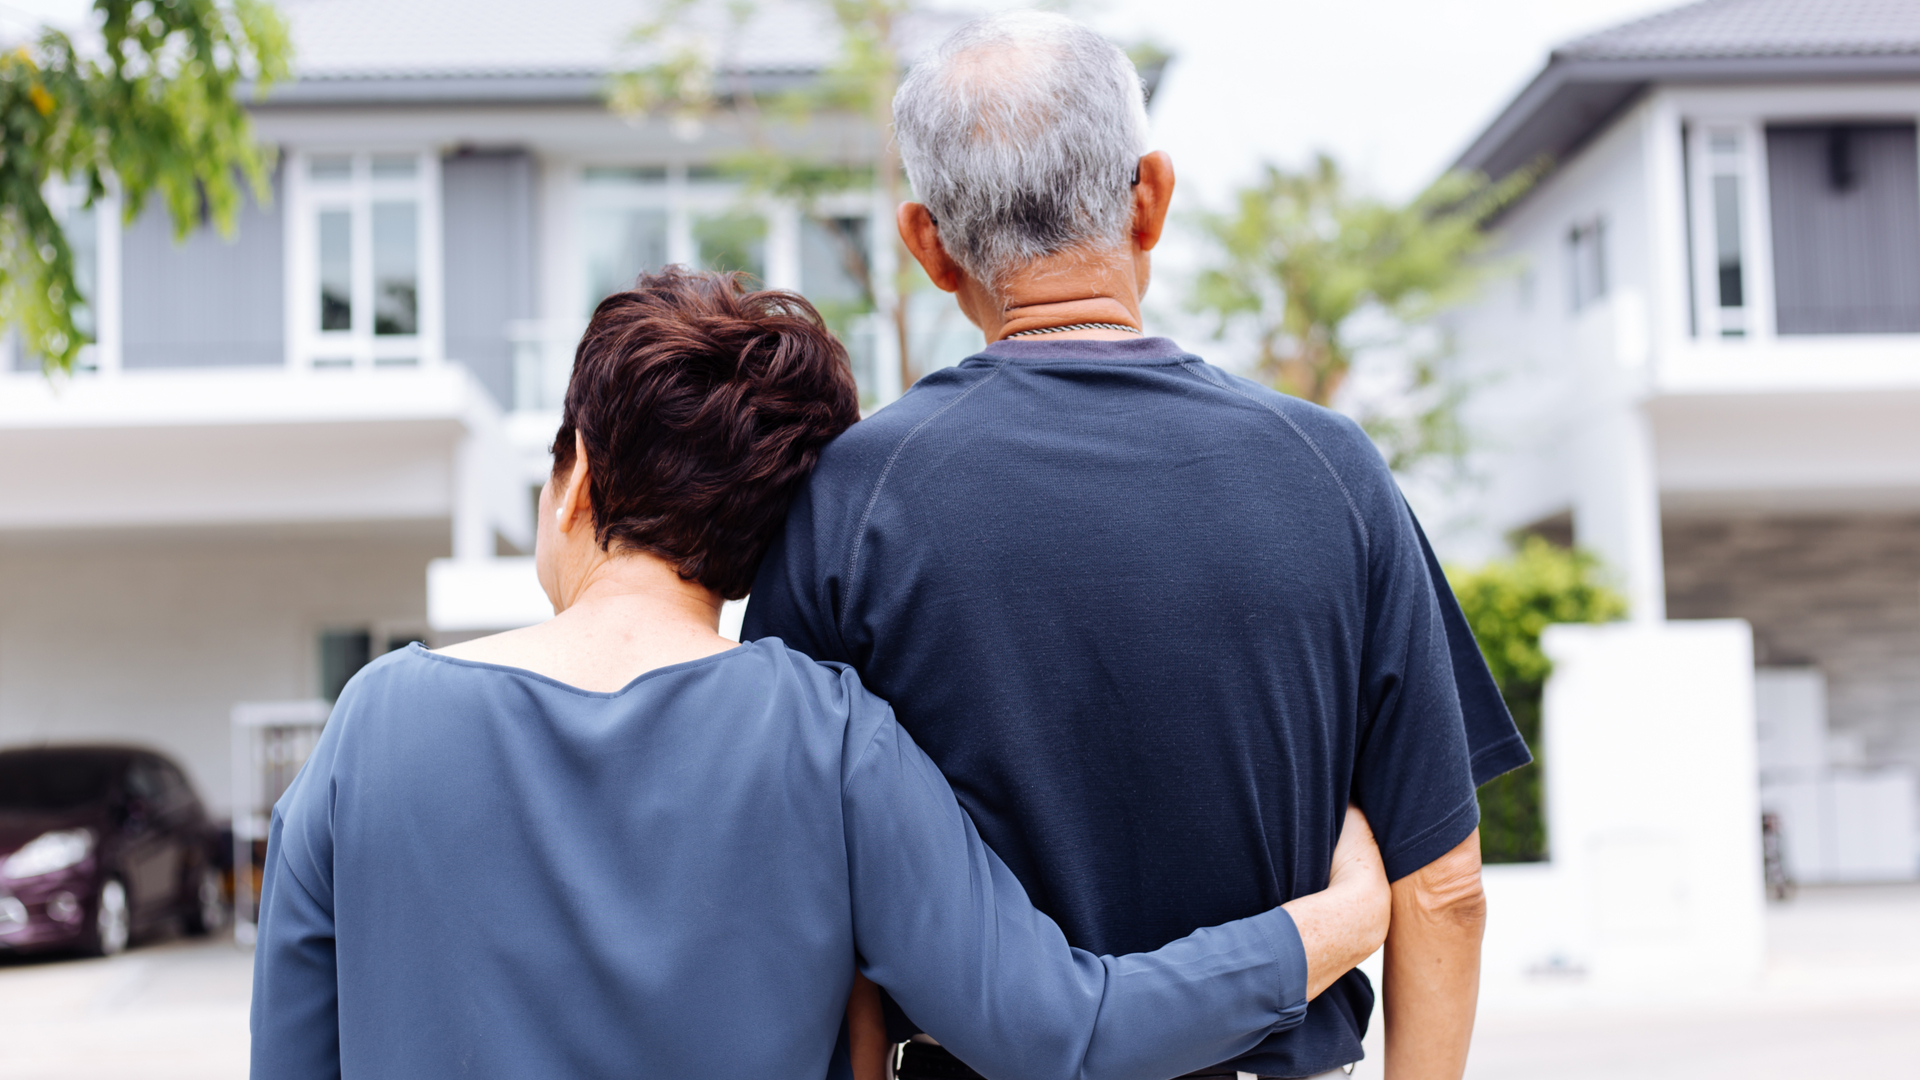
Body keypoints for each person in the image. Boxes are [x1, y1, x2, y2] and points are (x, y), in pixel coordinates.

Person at [247, 269, 1395, 1080]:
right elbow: (1063, 1032)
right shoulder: (830, 737)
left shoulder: (375, 727)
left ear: (575, 477)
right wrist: (1332, 926)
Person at [743, 13, 1532, 1080]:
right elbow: (1443, 888)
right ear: (1150, 197)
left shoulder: (848, 500)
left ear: (926, 244)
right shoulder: (1331, 471)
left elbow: (810, 898)